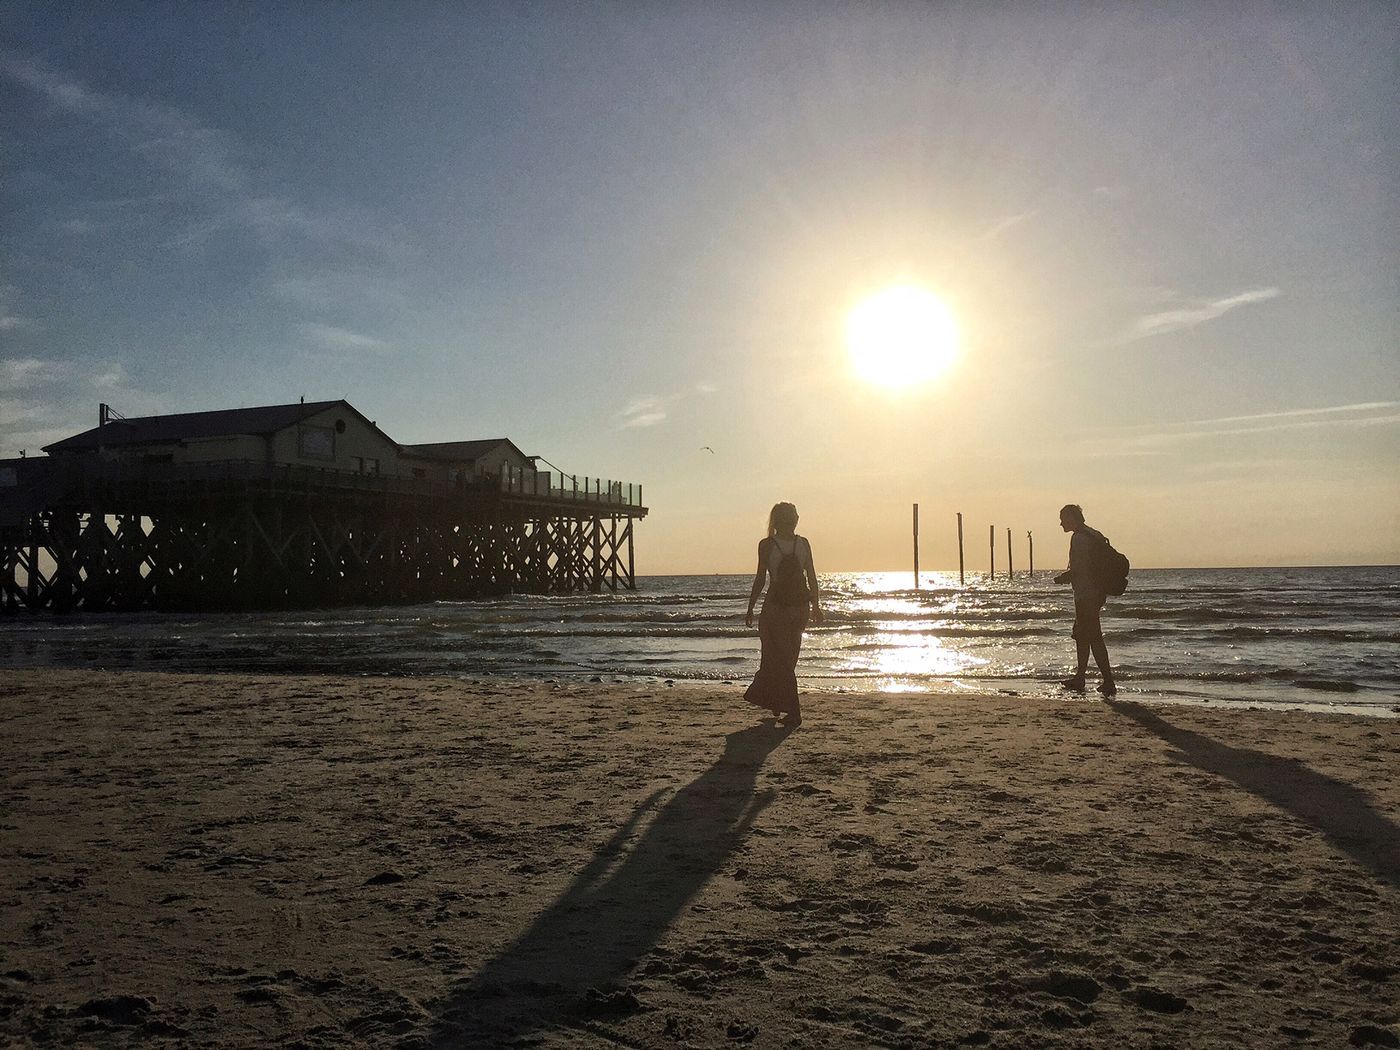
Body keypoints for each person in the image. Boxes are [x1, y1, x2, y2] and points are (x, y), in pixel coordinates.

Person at [744, 502, 823, 726]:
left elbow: (761, 578)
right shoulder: (803, 543)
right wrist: (816, 605)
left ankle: (793, 710)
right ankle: (777, 702)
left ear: (776, 521)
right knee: (788, 657)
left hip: (776, 607)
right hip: (800, 607)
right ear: (795, 520)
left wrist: (750, 607)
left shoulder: (767, 545)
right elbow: (812, 577)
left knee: (774, 656)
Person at [1054, 503, 1117, 698]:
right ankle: (1080, 677)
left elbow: (1080, 569)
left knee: (1094, 637)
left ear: (1072, 518)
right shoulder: (1092, 534)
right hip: (1095, 593)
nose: (1060, 523)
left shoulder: (1079, 538)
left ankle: (1108, 681)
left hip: (1086, 595)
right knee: (1082, 635)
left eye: (1063, 518)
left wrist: (1063, 578)